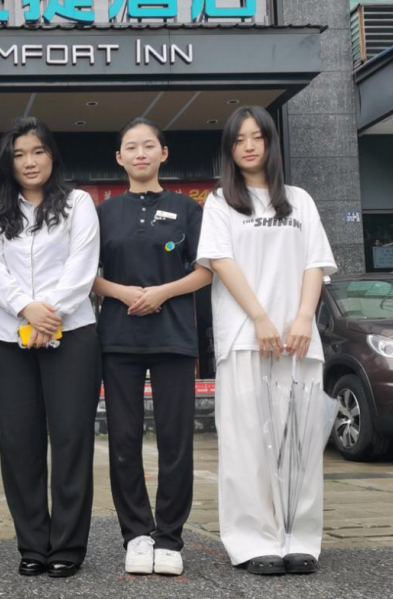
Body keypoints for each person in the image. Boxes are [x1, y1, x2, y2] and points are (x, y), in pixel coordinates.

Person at [196, 106, 336, 576]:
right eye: (239, 140)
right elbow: (220, 261)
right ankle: (253, 540)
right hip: (244, 337)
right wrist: (259, 318)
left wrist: (303, 318)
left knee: (299, 441)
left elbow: (314, 263)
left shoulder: (299, 200)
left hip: (298, 339)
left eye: (257, 137)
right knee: (246, 444)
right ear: (229, 150)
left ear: (271, 143)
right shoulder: (221, 202)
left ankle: (299, 537)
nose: (249, 146)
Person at [0, 117, 101, 579]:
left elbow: (82, 264)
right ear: (7, 163)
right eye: (19, 154)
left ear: (52, 156)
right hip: (10, 338)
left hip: (73, 335)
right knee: (19, 443)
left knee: (71, 439)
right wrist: (27, 309)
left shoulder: (78, 203)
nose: (29, 162)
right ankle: (32, 544)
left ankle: (67, 545)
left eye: (38, 151)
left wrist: (52, 314)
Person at [92, 118, 212, 577]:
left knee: (175, 440)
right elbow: (86, 272)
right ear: (119, 158)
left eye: (148, 146)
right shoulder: (103, 212)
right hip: (118, 338)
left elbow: (205, 270)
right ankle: (137, 535)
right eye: (131, 147)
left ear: (164, 153)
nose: (140, 153)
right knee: (123, 440)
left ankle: (170, 537)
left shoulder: (187, 208)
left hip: (173, 337)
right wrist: (122, 293)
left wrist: (162, 292)